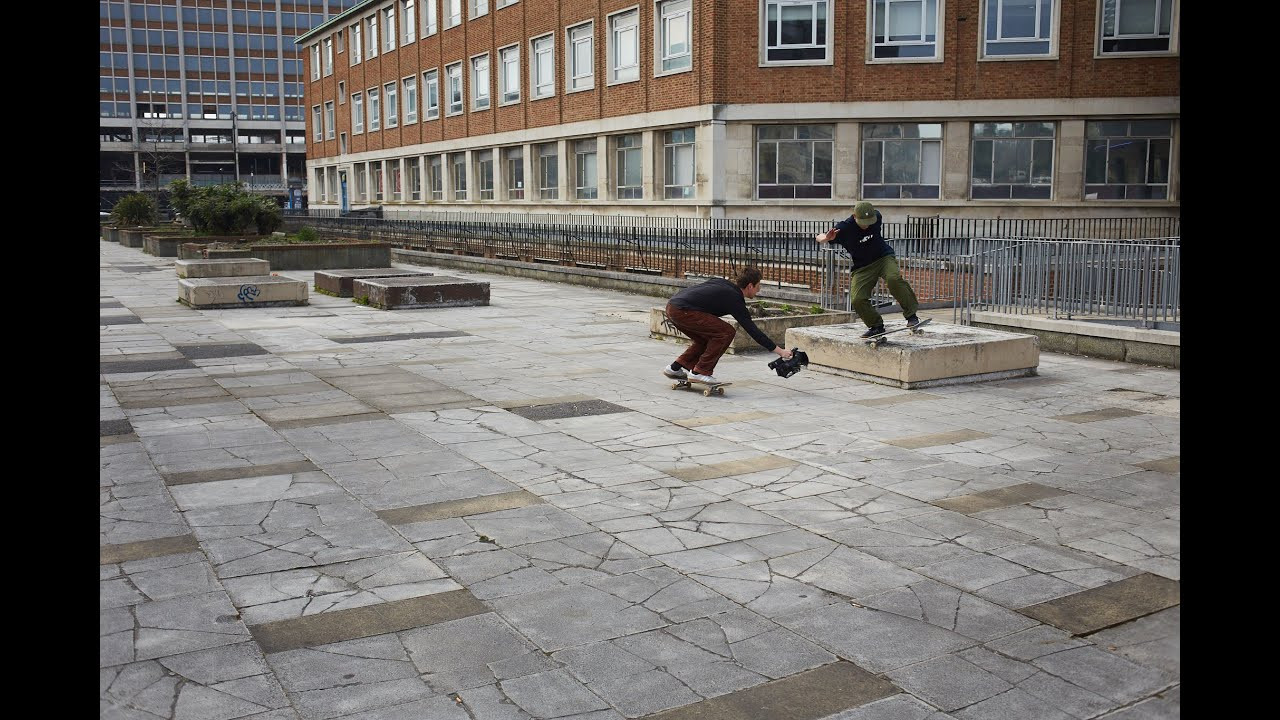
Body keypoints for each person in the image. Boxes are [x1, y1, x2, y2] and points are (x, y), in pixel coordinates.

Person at [662, 267, 793, 385]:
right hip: (683, 310)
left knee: (705, 339)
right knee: (726, 332)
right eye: (758, 286)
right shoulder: (734, 298)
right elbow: (752, 330)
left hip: (672, 307)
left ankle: (674, 368)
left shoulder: (723, 284)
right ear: (750, 286)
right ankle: (700, 372)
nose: (759, 290)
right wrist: (780, 351)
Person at [814, 201, 921, 338]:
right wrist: (826, 238)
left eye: (869, 222)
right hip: (863, 266)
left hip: (883, 257)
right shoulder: (844, 228)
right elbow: (819, 237)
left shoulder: (877, 217)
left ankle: (911, 315)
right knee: (858, 299)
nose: (866, 225)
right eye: (863, 222)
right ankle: (876, 326)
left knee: (893, 279)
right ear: (854, 216)